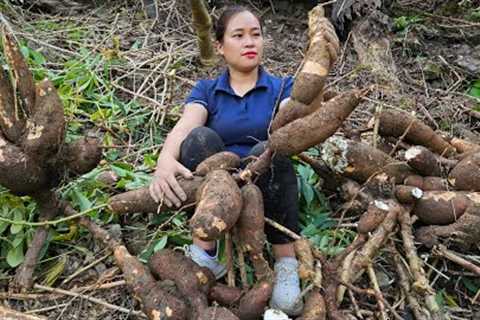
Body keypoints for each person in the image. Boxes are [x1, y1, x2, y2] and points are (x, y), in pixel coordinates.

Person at [149, 5, 302, 316]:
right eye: (239, 35)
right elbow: (187, 126)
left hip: (263, 177)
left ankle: (286, 262)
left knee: (272, 150)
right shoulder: (208, 90)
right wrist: (164, 160)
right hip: (218, 181)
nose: (250, 42)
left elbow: (297, 116)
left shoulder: (282, 86)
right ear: (219, 46)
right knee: (199, 139)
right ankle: (207, 249)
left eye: (256, 35)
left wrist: (315, 88)